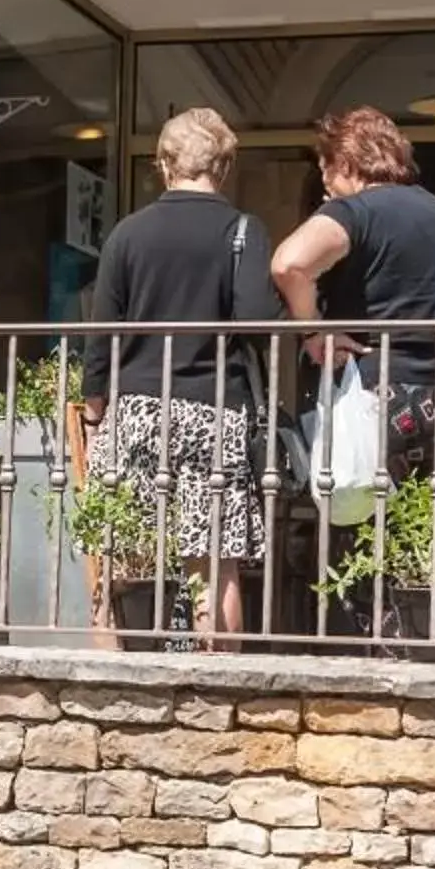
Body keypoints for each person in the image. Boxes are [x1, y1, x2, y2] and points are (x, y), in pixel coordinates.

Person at [79, 107, 281, 647]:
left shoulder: (128, 234)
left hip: (138, 410)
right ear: (224, 166)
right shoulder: (243, 232)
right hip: (214, 410)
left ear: (164, 165)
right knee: (213, 564)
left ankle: (113, 686)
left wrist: (94, 412)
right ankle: (219, 696)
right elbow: (259, 321)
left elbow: (102, 331)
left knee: (122, 556)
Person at [270, 105, 435, 478]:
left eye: (327, 170)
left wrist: (312, 331)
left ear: (348, 164)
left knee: (361, 519)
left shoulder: (355, 211)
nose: (326, 183)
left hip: (382, 400)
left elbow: (288, 264)